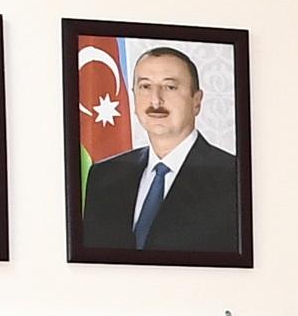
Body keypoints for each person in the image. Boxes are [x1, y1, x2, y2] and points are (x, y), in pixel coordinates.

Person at [79, 46, 241, 255]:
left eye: (170, 87)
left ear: (196, 101)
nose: (155, 100)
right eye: (145, 86)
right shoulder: (104, 176)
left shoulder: (234, 177)